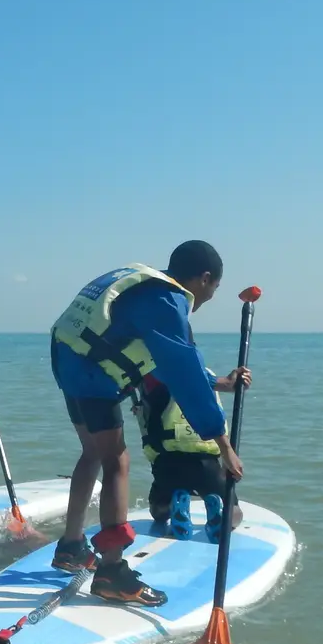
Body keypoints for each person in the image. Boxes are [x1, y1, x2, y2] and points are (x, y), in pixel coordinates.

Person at [49, 240, 243, 606]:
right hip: (92, 375)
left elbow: (168, 360)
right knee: (116, 461)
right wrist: (224, 446)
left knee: (92, 452)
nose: (206, 300)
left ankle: (71, 546)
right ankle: (112, 572)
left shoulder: (142, 282)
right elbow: (183, 371)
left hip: (67, 359)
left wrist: (220, 384)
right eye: (213, 289)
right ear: (204, 279)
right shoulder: (166, 301)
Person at [138, 361, 250, 541]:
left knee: (158, 512)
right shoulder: (203, 374)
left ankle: (174, 505)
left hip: (167, 464)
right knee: (234, 511)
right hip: (205, 463)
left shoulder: (147, 376)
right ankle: (221, 514)